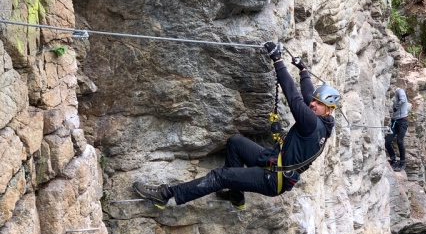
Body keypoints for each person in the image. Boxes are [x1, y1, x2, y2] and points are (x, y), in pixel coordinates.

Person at [133, 42, 339, 210]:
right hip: (274, 163)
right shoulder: (325, 123)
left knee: (220, 176)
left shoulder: (311, 122)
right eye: (315, 101)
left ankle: (166, 195)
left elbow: (293, 96)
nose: (313, 104)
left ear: (328, 110)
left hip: (272, 178)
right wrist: (303, 71)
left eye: (320, 104)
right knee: (236, 143)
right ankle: (236, 195)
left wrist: (278, 61)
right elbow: (307, 94)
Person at [385, 87, 408, 172]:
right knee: (387, 141)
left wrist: (395, 108)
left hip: (403, 120)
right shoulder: (391, 95)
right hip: (394, 121)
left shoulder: (399, 90)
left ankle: (402, 162)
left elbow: (403, 100)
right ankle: (393, 159)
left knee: (400, 141)